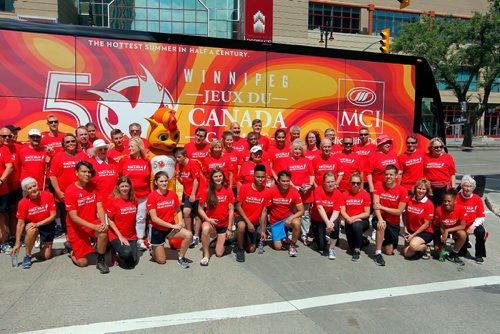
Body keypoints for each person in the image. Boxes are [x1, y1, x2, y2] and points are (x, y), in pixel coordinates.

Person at [65, 161, 109, 274]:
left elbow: (99, 206)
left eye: (89, 172)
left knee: (103, 231)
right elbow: (74, 217)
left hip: (91, 222)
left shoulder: (93, 186)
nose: (87, 174)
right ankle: (70, 249)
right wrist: (94, 226)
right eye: (83, 171)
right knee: (83, 263)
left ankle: (100, 260)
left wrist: (103, 222)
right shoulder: (70, 191)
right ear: (76, 173)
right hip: (76, 227)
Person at [147, 171, 192, 268]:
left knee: (188, 235)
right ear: (156, 183)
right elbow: (154, 219)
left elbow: (179, 210)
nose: (164, 183)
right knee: (161, 261)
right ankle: (153, 250)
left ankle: (181, 257)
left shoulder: (172, 194)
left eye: (166, 181)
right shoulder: (152, 196)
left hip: (170, 228)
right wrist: (172, 226)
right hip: (157, 230)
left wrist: (180, 222)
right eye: (161, 181)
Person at [10, 177, 56, 269]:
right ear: (26, 191)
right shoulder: (22, 203)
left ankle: (45, 245)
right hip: (33, 225)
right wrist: (17, 244)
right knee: (31, 229)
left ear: (37, 186)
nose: (33, 189)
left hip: (47, 223)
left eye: (34, 186)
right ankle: (28, 255)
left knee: (46, 256)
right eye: (29, 188)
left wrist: (38, 223)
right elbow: (20, 225)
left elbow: (53, 216)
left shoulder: (48, 195)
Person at [48, 133, 87, 234]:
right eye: (68, 142)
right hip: (64, 195)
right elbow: (52, 176)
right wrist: (58, 191)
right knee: (67, 221)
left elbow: (89, 172)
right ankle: (70, 243)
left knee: (83, 218)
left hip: (82, 194)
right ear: (64, 144)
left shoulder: (83, 155)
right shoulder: (58, 157)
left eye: (73, 141)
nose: (71, 143)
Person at [118, 137, 151, 250]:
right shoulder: (124, 160)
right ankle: (128, 238)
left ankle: (140, 239)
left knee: (141, 218)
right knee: (128, 218)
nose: (129, 148)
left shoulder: (147, 161)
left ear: (139, 147)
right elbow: (119, 177)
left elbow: (150, 178)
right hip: (128, 196)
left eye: (132, 146)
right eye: (129, 147)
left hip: (143, 196)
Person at [372, 165, 408, 266]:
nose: (388, 177)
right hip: (381, 217)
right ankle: (377, 253)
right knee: (381, 226)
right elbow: (376, 205)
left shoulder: (402, 190)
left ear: (396, 176)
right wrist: (380, 219)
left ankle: (383, 240)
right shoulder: (379, 185)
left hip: (393, 222)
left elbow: (399, 211)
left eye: (391, 175)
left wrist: (383, 207)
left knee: (389, 251)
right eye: (386, 174)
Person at [198, 168, 234, 265]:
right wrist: (207, 219)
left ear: (223, 177)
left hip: (223, 225)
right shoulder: (206, 191)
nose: (218, 178)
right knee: (205, 229)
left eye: (220, 176)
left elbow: (231, 210)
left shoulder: (228, 190)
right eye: (215, 176)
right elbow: (200, 209)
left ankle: (219, 240)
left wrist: (229, 228)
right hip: (211, 223)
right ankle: (206, 255)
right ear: (212, 178)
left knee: (219, 253)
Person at [235, 164, 270, 262]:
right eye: (258, 177)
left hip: (254, 222)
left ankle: (238, 237)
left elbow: (264, 213)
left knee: (251, 249)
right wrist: (248, 222)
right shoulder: (245, 187)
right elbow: (238, 206)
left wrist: (262, 230)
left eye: (263, 177)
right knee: (241, 226)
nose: (260, 179)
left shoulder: (267, 192)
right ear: (253, 176)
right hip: (242, 217)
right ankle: (240, 249)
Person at [266, 170, 304, 256]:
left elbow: (302, 211)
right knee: (278, 247)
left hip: (288, 217)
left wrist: (291, 218)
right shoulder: (271, 191)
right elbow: (265, 208)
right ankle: (281, 235)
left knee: (297, 223)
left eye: (287, 181)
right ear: (278, 181)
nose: (286, 183)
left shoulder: (294, 192)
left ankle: (292, 245)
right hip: (275, 220)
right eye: (283, 181)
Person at [106, 176, 138, 269]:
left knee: (132, 263)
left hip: (131, 235)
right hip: (116, 235)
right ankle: (114, 251)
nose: (124, 189)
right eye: (122, 186)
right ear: (118, 187)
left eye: (126, 186)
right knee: (126, 254)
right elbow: (110, 220)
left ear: (130, 187)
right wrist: (120, 236)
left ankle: (122, 251)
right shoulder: (113, 200)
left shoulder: (134, 200)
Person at [286, 139, 314, 245]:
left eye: (299, 149)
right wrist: (294, 187)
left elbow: (312, 175)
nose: (297, 151)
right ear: (292, 150)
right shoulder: (287, 161)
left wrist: (310, 185)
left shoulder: (307, 161)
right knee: (293, 214)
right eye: (295, 149)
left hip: (306, 193)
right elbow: (286, 177)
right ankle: (290, 234)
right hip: (292, 192)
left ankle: (304, 235)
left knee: (305, 214)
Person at [174, 147, 205, 247]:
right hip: (187, 192)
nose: (177, 159)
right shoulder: (179, 165)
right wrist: (178, 178)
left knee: (197, 215)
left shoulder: (192, 163)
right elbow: (183, 181)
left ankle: (196, 236)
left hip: (197, 192)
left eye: (179, 157)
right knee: (186, 212)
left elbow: (197, 180)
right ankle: (189, 233)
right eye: (176, 157)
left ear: (185, 156)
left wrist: (193, 194)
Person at [455, 175, 487, 264]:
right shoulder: (456, 198)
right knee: (462, 253)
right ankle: (463, 244)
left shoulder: (477, 199)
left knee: (481, 232)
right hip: (460, 224)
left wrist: (473, 226)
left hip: (473, 224)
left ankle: (479, 255)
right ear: (461, 186)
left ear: (473, 188)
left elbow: (481, 216)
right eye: (466, 186)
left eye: (470, 186)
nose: (468, 189)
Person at [339, 173, 371, 261]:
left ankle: (357, 251)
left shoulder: (365, 195)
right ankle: (363, 240)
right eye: (353, 183)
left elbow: (367, 213)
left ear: (361, 183)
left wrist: (353, 218)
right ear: (349, 183)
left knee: (356, 225)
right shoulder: (344, 194)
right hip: (349, 221)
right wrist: (348, 219)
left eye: (358, 183)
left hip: (362, 221)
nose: (355, 185)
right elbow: (342, 210)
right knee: (351, 247)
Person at [311, 172, 341, 259]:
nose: (330, 184)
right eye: (328, 182)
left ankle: (332, 248)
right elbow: (320, 207)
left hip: (330, 217)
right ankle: (324, 236)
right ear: (323, 182)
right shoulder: (318, 190)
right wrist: (327, 223)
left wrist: (330, 223)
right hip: (317, 218)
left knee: (335, 223)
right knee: (321, 247)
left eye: (332, 181)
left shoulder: (338, 193)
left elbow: (336, 211)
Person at [402, 179, 434, 259]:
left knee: (413, 246)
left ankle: (426, 248)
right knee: (407, 254)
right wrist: (405, 228)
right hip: (411, 230)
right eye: (419, 188)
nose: (421, 191)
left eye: (424, 189)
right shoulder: (409, 199)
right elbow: (405, 214)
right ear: (415, 188)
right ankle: (417, 247)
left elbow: (426, 224)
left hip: (425, 231)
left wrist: (413, 235)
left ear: (427, 191)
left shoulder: (429, 204)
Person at [434, 189, 467, 265]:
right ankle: (441, 247)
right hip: (443, 229)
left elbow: (463, 226)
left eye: (449, 201)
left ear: (454, 201)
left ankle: (454, 253)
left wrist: (448, 230)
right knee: (438, 254)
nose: (446, 203)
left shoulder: (461, 209)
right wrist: (443, 237)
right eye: (444, 201)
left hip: (454, 230)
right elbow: (441, 224)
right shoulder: (439, 209)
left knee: (463, 234)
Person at [424, 137, 456, 207]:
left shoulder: (448, 157)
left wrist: (453, 188)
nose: (439, 149)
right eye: (436, 147)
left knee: (443, 206)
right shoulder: (425, 157)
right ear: (431, 148)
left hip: (444, 187)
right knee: (430, 206)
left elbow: (452, 173)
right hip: (430, 187)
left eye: (441, 147)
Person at [0, 131, 13, 247]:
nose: (6, 138)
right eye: (3, 136)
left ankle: (3, 242)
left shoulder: (4, 149)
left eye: (8, 136)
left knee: (2, 216)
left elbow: (9, 166)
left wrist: (0, 180)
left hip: (2, 190)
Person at [221, 131, 242, 196]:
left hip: (235, 184)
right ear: (224, 141)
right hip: (223, 184)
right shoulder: (221, 153)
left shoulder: (237, 153)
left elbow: (239, 169)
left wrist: (238, 182)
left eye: (231, 140)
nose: (229, 142)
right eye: (227, 140)